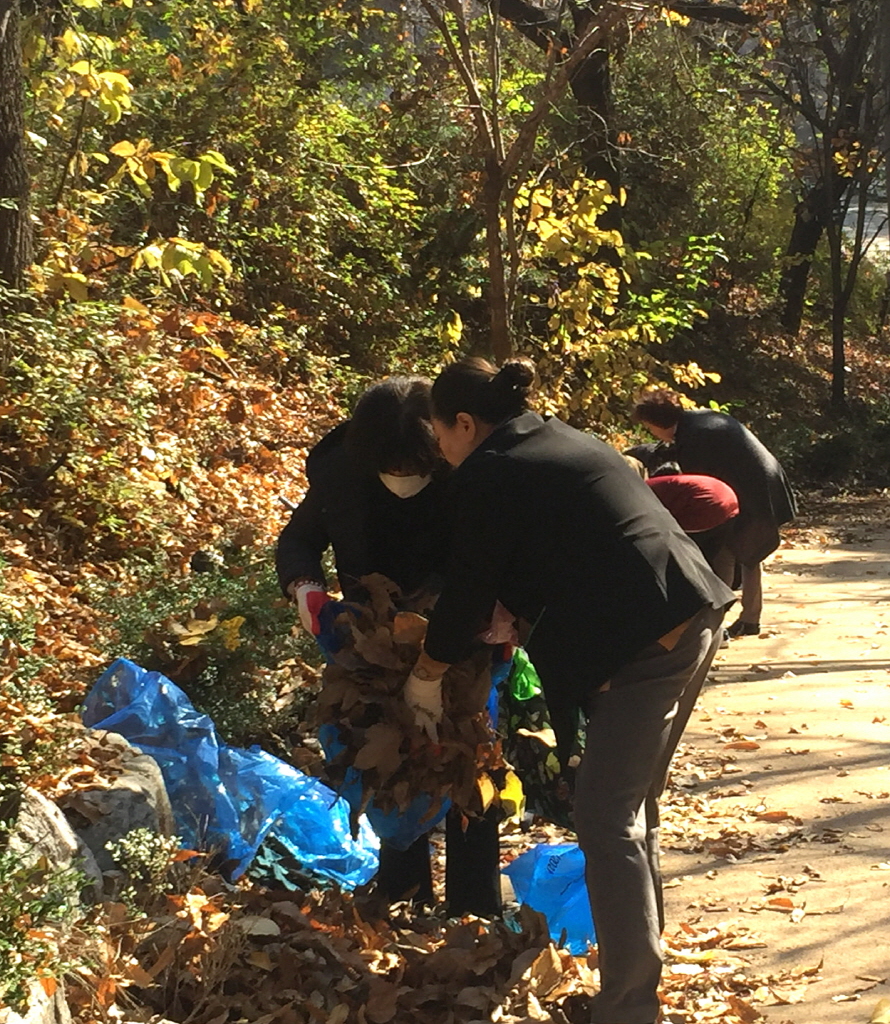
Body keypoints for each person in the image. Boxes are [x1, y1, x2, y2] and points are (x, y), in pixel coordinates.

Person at [412, 358, 734, 1024]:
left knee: (603, 818)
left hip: (653, 636)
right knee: (626, 809)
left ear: (465, 424)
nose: (439, 451)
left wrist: (428, 670)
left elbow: (469, 582)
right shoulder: (551, 440)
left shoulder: (490, 471)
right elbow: (566, 546)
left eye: (439, 434)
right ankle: (635, 980)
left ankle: (627, 1008)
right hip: (685, 609)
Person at [275, 378, 504, 912]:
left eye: (414, 467)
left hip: (462, 638)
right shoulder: (342, 467)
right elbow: (299, 539)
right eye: (391, 467)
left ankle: (477, 906)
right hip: (370, 647)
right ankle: (404, 897)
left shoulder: (470, 469)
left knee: (469, 761)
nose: (402, 477)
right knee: (388, 767)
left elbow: (497, 553)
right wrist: (306, 588)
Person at [633, 390, 796, 639]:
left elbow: (699, 485)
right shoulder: (699, 420)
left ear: (658, 422)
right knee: (749, 554)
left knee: (726, 554)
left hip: (751, 490)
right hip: (763, 482)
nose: (651, 432)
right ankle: (749, 618)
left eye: (649, 427)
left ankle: (718, 621)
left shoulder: (695, 437)